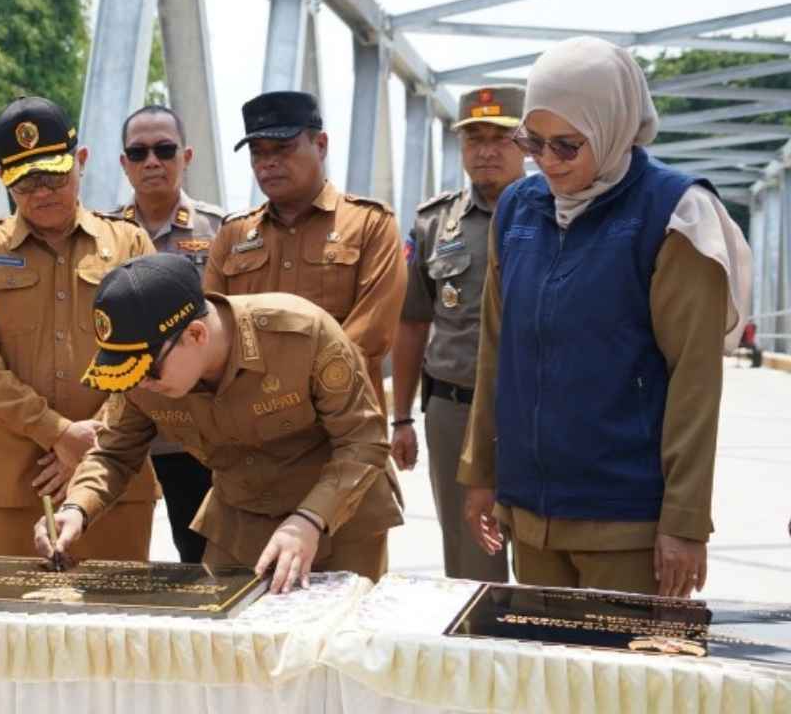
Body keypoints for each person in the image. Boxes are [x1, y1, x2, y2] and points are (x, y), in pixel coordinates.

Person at [458, 37, 752, 598]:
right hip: (531, 513)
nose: (547, 161)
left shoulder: (675, 215)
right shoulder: (518, 208)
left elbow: (694, 379)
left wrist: (684, 521)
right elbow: (497, 349)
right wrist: (481, 474)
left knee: (620, 658)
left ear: (613, 126)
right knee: (543, 655)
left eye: (567, 146)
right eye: (533, 141)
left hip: (625, 522)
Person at [35, 253, 403, 592]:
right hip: (240, 522)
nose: (139, 383)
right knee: (227, 636)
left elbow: (362, 441)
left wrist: (310, 519)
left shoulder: (301, 334)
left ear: (196, 334)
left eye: (147, 370)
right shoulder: (144, 376)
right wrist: (76, 508)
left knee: (341, 635)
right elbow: (114, 452)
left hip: (340, 518)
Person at [0, 95, 159, 559]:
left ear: (81, 159)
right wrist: (58, 433)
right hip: (8, 487)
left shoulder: (129, 242)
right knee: (3, 608)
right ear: (3, 177)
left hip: (114, 480)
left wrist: (91, 442)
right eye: (25, 181)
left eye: (54, 175)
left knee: (118, 606)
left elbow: (155, 354)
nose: (41, 192)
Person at [390, 86, 526, 582]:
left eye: (500, 137)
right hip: (455, 410)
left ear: (527, 143)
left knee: (545, 556)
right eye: (474, 139)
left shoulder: (558, 213)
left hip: (535, 411)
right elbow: (412, 323)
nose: (486, 150)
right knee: (472, 565)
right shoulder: (434, 223)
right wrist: (401, 418)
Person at [204, 91, 407, 419]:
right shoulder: (232, 235)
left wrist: (292, 391)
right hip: (252, 427)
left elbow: (371, 332)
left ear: (321, 145)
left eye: (283, 148)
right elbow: (212, 328)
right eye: (257, 153)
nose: (268, 163)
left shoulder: (370, 224)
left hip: (343, 424)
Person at [108, 104, 224, 564]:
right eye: (138, 153)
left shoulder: (221, 230)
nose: (152, 161)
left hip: (194, 429)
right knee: (118, 564)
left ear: (186, 156)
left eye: (164, 149)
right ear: (124, 163)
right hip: (125, 422)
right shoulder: (103, 234)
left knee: (204, 560)